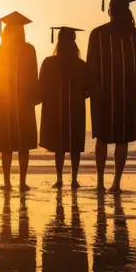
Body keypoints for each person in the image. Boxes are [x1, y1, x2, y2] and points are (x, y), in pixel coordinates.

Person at [86, 0, 136, 193]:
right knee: (122, 139)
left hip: (104, 94)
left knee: (102, 138)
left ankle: (99, 182)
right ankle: (116, 183)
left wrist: (90, 89)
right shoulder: (135, 34)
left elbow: (91, 65)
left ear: (110, 10)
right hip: (126, 95)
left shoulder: (98, 33)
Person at [0, 11, 40, 193]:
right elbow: (34, 76)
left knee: (7, 146)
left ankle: (8, 182)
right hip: (22, 103)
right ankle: (21, 182)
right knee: (22, 146)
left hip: (5, 102)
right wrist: (35, 97)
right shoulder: (28, 50)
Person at [39, 26, 88, 189]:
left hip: (56, 109)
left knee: (59, 147)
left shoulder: (49, 62)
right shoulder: (81, 65)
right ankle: (74, 179)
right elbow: (88, 90)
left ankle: (59, 179)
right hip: (75, 110)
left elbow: (41, 87)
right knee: (74, 146)